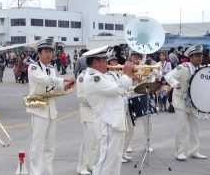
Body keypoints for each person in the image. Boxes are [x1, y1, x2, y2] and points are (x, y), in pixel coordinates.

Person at [83, 45, 134, 175]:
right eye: (104, 60)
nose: (107, 63)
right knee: (107, 160)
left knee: (114, 159)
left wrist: (126, 76)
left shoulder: (103, 76)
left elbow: (121, 88)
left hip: (113, 122)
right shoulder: (94, 78)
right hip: (107, 124)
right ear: (95, 62)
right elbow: (118, 89)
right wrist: (127, 74)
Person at [27, 39, 75, 175]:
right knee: (37, 145)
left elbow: (53, 89)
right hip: (38, 109)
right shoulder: (33, 67)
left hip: (51, 110)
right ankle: (35, 172)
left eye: (50, 52)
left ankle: (48, 172)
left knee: (50, 146)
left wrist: (65, 87)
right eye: (46, 52)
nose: (49, 54)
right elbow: (44, 80)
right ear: (39, 53)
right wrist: (63, 80)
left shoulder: (52, 69)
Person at [165, 44, 207, 161]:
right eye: (197, 56)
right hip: (180, 100)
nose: (200, 58)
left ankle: (194, 151)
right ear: (191, 57)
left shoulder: (201, 70)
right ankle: (180, 152)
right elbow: (168, 76)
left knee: (195, 127)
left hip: (193, 102)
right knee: (182, 127)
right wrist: (175, 84)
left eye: (201, 56)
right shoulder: (182, 67)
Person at [76, 69, 98, 175]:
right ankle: (82, 167)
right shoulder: (82, 76)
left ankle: (90, 164)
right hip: (87, 113)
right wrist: (96, 101)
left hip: (96, 113)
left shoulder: (96, 74)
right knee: (88, 141)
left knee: (94, 141)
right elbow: (81, 96)